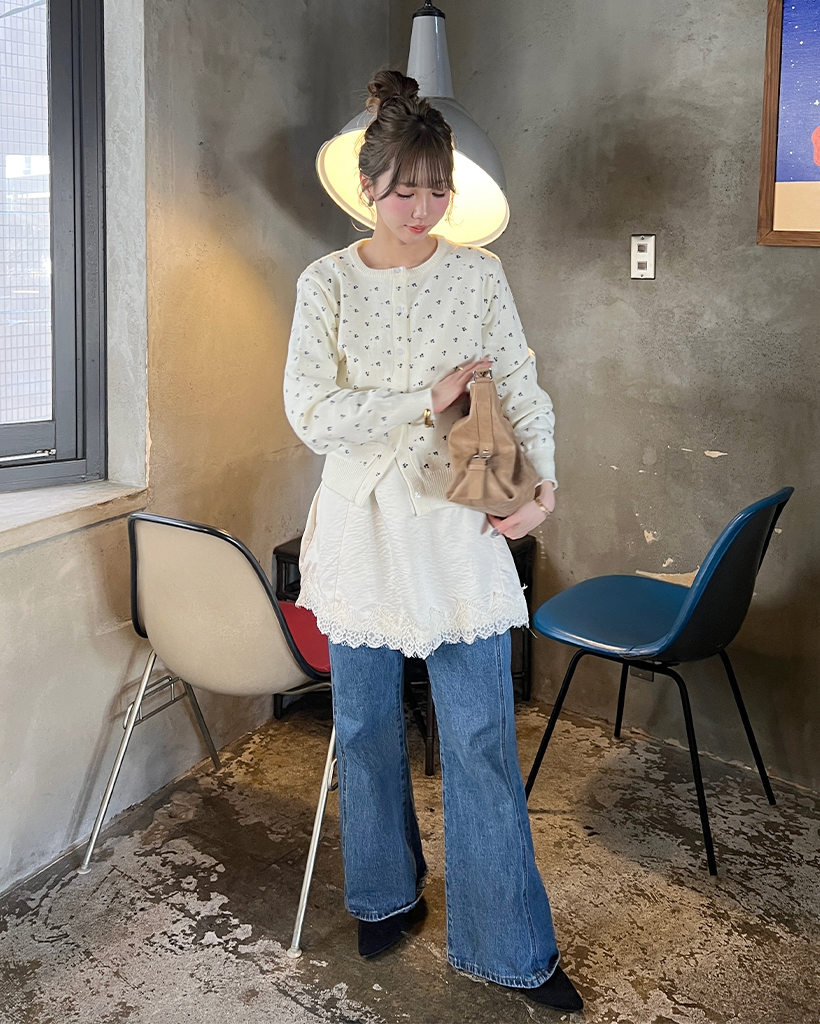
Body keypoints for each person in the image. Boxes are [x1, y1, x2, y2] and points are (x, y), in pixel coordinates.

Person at [283, 69, 583, 1014]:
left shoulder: (480, 275)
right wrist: (426, 398)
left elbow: (522, 388)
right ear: (367, 186)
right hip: (361, 531)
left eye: (437, 190)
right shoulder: (325, 283)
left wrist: (542, 487)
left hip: (457, 527)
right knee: (366, 728)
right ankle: (384, 892)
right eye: (404, 190)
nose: (422, 210)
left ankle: (509, 943)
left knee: (483, 739)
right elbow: (310, 413)